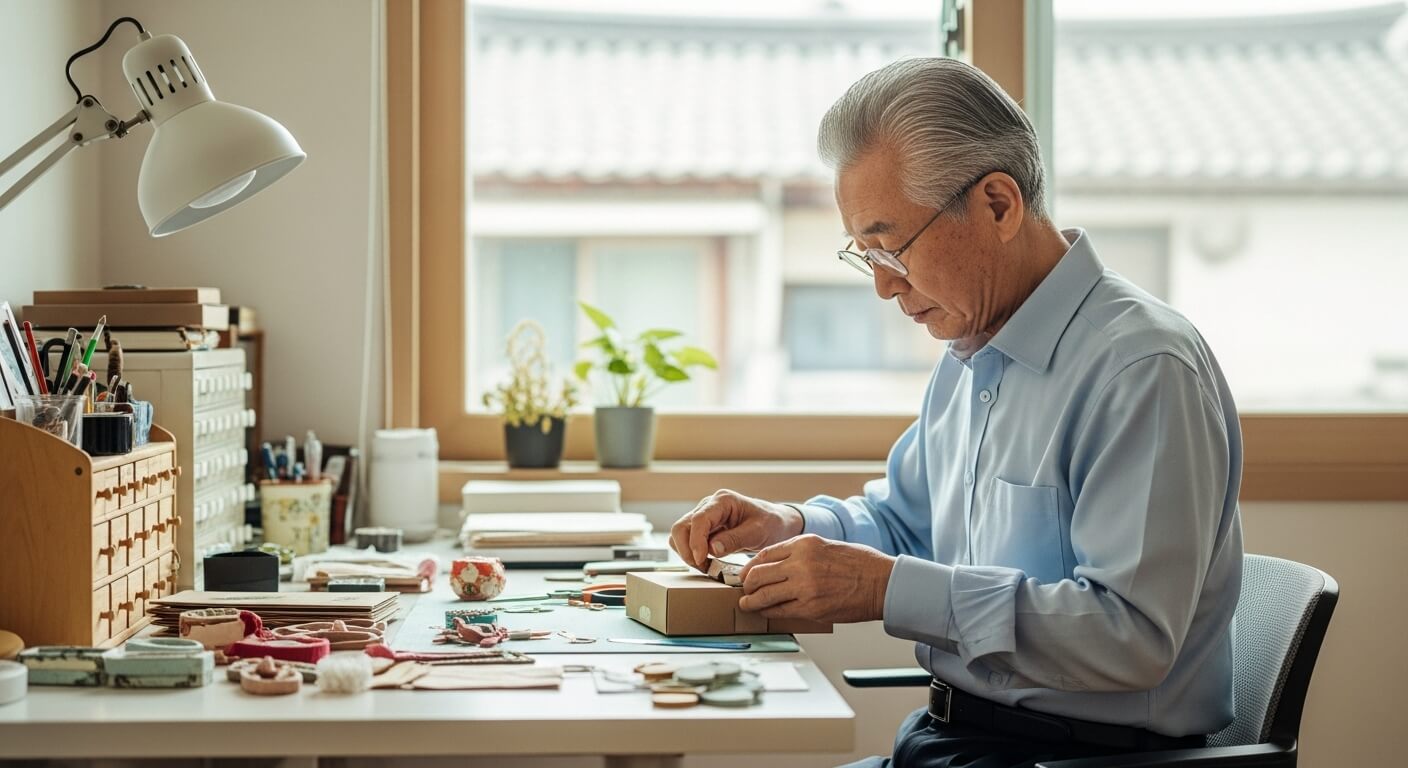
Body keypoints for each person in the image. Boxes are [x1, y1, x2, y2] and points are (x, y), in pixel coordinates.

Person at [669, 57, 1244, 768]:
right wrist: (789, 524)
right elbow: (906, 521)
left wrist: (885, 589)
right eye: (865, 253)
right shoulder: (973, 349)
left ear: (998, 205)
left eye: (892, 247)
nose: (882, 287)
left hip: (1078, 758)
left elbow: (1128, 636)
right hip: (952, 740)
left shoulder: (1142, 368)